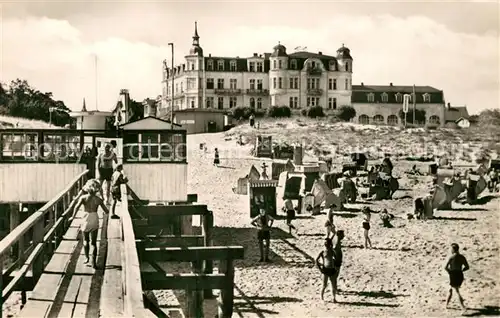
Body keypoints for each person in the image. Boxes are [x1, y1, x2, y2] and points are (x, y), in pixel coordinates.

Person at [69, 182, 110, 269]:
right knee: (94, 243)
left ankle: (87, 258)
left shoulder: (83, 198)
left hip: (86, 218)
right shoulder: (98, 199)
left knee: (86, 240)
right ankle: (93, 262)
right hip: (94, 218)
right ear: (97, 190)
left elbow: (76, 207)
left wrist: (72, 216)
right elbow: (106, 211)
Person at [445, 243, 470, 310]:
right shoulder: (462, 257)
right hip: (460, 274)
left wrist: (450, 272)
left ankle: (463, 307)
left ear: (453, 249)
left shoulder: (451, 257)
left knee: (456, 291)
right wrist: (462, 270)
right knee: (451, 289)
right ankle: (446, 305)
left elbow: (445, 267)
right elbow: (467, 267)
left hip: (453, 274)